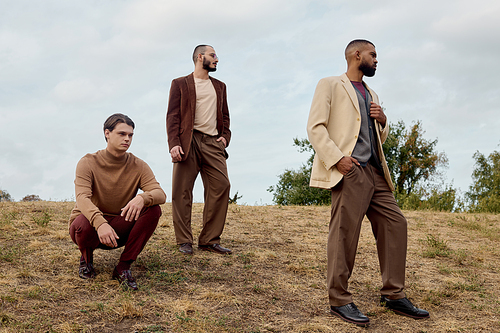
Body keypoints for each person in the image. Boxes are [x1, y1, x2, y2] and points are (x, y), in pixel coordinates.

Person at [307, 39, 429, 327]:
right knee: (344, 233)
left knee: (395, 223)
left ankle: (393, 293)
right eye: (373, 54)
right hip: (351, 170)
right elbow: (315, 127)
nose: (376, 60)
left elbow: (376, 137)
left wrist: (383, 120)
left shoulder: (371, 92)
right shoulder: (330, 84)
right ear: (357, 54)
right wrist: (339, 159)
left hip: (376, 171)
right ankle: (339, 299)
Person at [69, 113, 166, 290]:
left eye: (130, 135)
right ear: (107, 133)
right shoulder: (87, 162)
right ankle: (86, 259)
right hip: (90, 227)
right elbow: (82, 198)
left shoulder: (138, 165)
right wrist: (100, 223)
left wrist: (142, 198)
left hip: (120, 226)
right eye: (122, 134)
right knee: (82, 223)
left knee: (154, 209)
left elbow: (160, 194)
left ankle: (123, 267)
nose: (127, 139)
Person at [166, 44, 232, 255]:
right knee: (182, 191)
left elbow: (225, 116)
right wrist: (174, 143)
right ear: (199, 57)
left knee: (221, 185)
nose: (217, 59)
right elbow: (173, 116)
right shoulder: (180, 84)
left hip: (213, 142)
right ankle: (184, 240)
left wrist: (225, 137)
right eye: (213, 55)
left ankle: (209, 240)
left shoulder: (220, 86)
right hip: (188, 141)